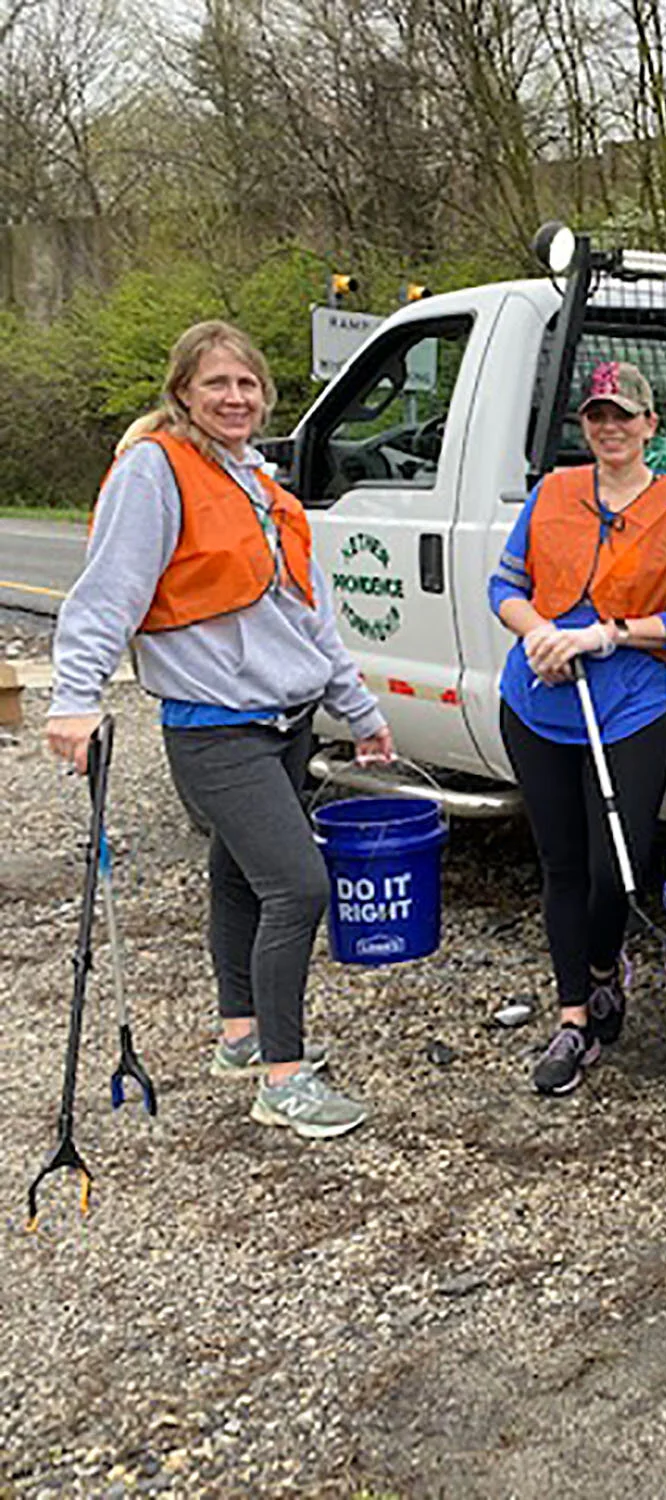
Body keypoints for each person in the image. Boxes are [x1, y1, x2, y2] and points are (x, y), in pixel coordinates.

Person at [46, 320, 390, 1139]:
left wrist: (362, 712)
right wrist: (73, 697)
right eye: (216, 385)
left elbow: (310, 618)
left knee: (240, 877)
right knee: (300, 885)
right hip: (214, 728)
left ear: (264, 396)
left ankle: (241, 1035)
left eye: (246, 385)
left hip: (286, 720)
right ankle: (284, 1079)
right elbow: (109, 594)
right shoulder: (156, 472)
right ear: (183, 395)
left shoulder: (265, 490)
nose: (234, 398)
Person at [490, 360, 666, 1096]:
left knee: (615, 866)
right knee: (560, 866)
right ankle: (574, 1018)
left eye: (624, 414)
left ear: (651, 425)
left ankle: (601, 963)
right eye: (597, 415)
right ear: (583, 425)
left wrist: (603, 636)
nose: (610, 427)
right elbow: (506, 586)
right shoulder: (553, 492)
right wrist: (537, 635)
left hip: (627, 709)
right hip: (537, 708)